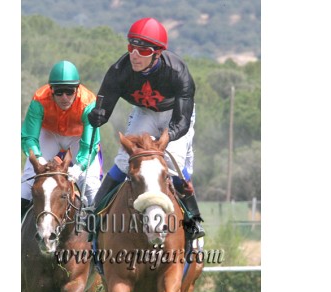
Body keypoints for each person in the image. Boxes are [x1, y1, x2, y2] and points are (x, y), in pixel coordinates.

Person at [87, 17, 205, 240]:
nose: (134, 55)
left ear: (157, 53)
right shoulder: (119, 71)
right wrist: (97, 116)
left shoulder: (178, 71)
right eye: (131, 47)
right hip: (144, 112)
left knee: (172, 162)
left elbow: (181, 122)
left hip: (175, 115)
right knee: (125, 159)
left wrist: (167, 136)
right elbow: (103, 111)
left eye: (143, 51)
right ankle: (94, 212)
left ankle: (193, 219)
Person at [21, 60, 103, 220]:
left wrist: (79, 167)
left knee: (91, 185)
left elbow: (89, 145)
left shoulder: (88, 102)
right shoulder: (39, 99)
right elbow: (29, 137)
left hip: (79, 138)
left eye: (69, 92)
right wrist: (38, 158)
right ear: (51, 90)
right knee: (28, 180)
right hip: (49, 135)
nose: (64, 97)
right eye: (59, 92)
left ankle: (98, 231)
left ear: (77, 89)